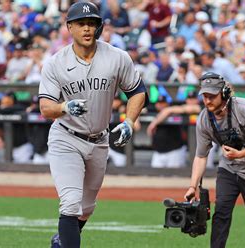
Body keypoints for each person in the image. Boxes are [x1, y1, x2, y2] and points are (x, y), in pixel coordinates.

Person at [38, 2, 147, 248]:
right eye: (81, 24)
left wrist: (130, 121)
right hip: (66, 137)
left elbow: (137, 92)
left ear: (99, 27)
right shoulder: (56, 63)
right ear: (69, 27)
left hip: (99, 140)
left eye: (92, 23)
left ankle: (60, 242)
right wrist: (64, 107)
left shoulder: (117, 57)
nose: (87, 29)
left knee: (86, 209)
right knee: (70, 202)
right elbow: (46, 108)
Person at [184, 72, 245, 248]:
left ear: (225, 93)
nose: (207, 101)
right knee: (221, 214)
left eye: (212, 96)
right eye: (204, 96)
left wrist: (241, 154)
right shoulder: (204, 119)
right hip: (229, 168)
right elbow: (201, 155)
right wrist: (192, 186)